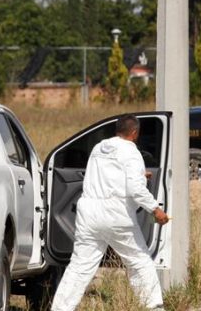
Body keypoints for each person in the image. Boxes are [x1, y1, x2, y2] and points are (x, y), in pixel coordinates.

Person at [51, 114, 170, 311]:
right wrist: (155, 209)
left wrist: (140, 175)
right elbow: (135, 189)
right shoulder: (132, 152)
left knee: (80, 267)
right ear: (135, 133)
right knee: (139, 262)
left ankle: (60, 308)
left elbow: (109, 174)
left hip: (89, 213)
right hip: (116, 214)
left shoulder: (99, 148)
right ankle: (154, 307)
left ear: (117, 130)